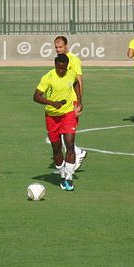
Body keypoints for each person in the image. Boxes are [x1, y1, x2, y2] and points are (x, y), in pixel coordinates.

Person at [33, 53, 83, 191]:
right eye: (59, 68)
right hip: (51, 116)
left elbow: (76, 83)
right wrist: (51, 103)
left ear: (67, 66)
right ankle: (62, 174)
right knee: (56, 148)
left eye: (63, 68)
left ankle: (69, 177)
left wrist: (79, 101)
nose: (61, 71)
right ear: (55, 65)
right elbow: (36, 96)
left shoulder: (71, 74)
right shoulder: (48, 77)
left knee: (70, 145)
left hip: (68, 114)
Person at [53, 36, 87, 170]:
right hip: (62, 101)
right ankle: (77, 153)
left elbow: (79, 80)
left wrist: (79, 102)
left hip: (72, 100)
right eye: (56, 47)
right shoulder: (59, 60)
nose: (58, 49)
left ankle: (78, 153)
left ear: (66, 46)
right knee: (60, 131)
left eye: (60, 47)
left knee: (66, 131)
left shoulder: (74, 60)